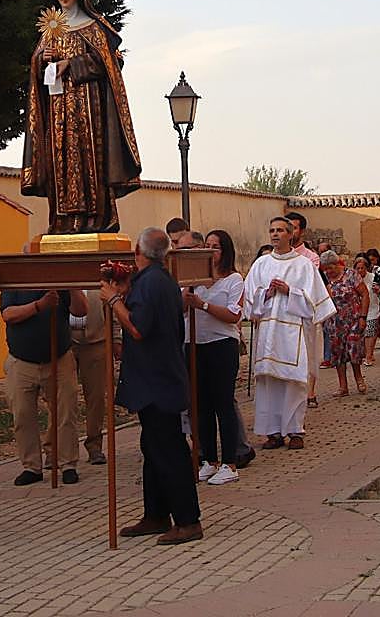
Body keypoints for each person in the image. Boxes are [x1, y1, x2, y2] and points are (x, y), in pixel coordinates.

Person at [20, 0, 141, 233]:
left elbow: (111, 64)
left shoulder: (95, 26)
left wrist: (71, 65)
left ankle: (95, 219)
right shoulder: (51, 28)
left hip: (90, 108)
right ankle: (63, 220)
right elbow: (37, 71)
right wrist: (42, 59)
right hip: (57, 109)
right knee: (60, 160)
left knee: (90, 160)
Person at [102, 227, 202, 545]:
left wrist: (114, 299)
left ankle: (187, 520)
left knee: (168, 450)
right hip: (158, 378)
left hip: (157, 382)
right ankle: (156, 513)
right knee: (153, 447)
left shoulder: (152, 283)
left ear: (138, 250)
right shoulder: (157, 280)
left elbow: (137, 328)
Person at [244, 217, 335, 449]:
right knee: (269, 382)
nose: (275, 234)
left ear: (291, 234)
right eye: (272, 230)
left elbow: (315, 303)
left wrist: (289, 291)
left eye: (280, 230)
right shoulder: (261, 265)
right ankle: (272, 432)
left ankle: (295, 430)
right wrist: (266, 293)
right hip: (268, 334)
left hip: (294, 333)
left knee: (294, 381)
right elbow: (249, 301)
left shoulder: (304, 265)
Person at [1, 284, 88, 486]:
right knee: (22, 414)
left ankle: (68, 464)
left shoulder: (59, 280)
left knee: (66, 411)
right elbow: (8, 314)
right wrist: (40, 305)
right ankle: (31, 466)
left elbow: (81, 311)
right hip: (22, 360)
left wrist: (72, 286)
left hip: (59, 359)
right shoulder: (14, 281)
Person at [182, 230, 244, 486]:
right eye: (206, 246)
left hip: (221, 345)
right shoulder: (194, 279)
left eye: (215, 247)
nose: (211, 251)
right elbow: (182, 309)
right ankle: (209, 459)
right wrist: (187, 296)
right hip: (194, 345)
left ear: (225, 251)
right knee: (200, 405)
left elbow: (234, 315)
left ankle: (230, 462)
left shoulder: (234, 280)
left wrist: (203, 304)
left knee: (223, 403)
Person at [69, 290, 117, 466]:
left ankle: (94, 445)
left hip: (96, 342)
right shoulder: (58, 276)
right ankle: (56, 449)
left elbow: (112, 308)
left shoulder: (98, 278)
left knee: (96, 397)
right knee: (61, 397)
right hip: (65, 342)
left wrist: (116, 340)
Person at [284, 211, 323, 405]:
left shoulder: (311, 258)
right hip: (284, 313)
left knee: (309, 351)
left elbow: (308, 285)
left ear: (302, 231)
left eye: (294, 227)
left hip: (305, 311)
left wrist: (289, 288)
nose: (290, 232)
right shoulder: (279, 257)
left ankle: (310, 392)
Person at [321, 251, 370, 396]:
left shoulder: (351, 275)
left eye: (330, 267)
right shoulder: (325, 279)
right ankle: (343, 387)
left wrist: (363, 316)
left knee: (353, 348)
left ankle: (359, 378)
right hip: (334, 322)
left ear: (337, 264)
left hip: (353, 318)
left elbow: (365, 294)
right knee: (337, 353)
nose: (328, 271)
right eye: (325, 268)